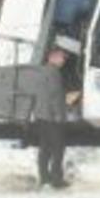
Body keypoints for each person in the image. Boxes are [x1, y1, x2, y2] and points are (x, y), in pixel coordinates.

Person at [34, 43, 70, 189]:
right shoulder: (54, 73)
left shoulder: (42, 71)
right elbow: (54, 96)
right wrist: (59, 116)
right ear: (53, 57)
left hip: (41, 115)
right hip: (52, 118)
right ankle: (57, 180)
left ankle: (44, 177)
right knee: (58, 149)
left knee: (45, 148)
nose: (63, 61)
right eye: (61, 57)